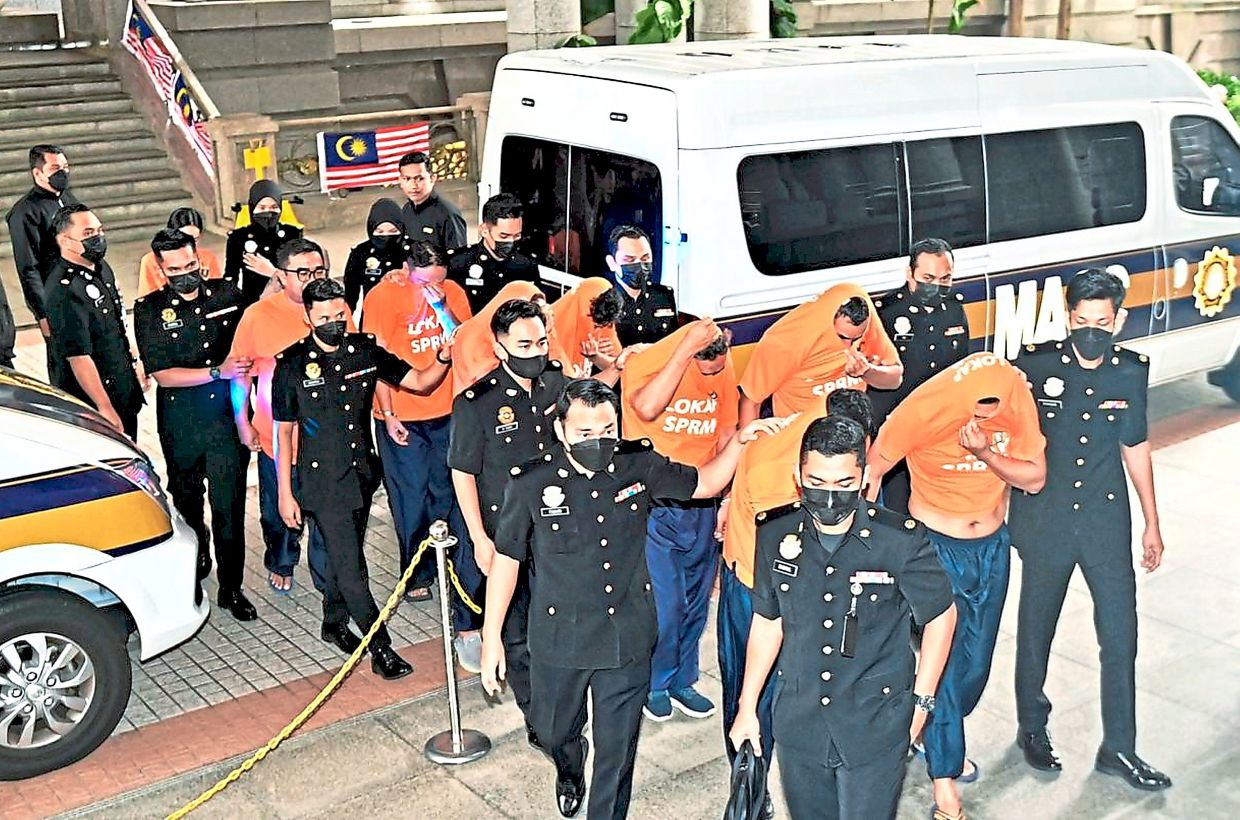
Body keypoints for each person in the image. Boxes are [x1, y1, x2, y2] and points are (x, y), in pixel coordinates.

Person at [480, 378, 786, 820]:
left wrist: (740, 440)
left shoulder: (636, 465)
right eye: (585, 433)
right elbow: (507, 560)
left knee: (618, 752)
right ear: (561, 430)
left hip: (627, 631)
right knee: (552, 729)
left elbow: (703, 483)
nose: (597, 441)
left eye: (606, 430)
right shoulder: (532, 483)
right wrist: (492, 638)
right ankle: (568, 764)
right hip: (559, 636)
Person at [730, 415, 958, 820]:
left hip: (875, 720)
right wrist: (748, 706)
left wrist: (921, 703)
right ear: (798, 475)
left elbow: (941, 615)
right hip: (800, 719)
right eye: (816, 484)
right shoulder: (774, 533)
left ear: (864, 477)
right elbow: (768, 620)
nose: (829, 498)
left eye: (843, 486)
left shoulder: (898, 540)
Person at [865, 351, 1047, 820]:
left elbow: (1035, 478)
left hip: (991, 548)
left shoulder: (1015, 395)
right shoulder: (925, 407)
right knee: (942, 666)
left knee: (975, 665)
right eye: (979, 407)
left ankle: (929, 725)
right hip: (934, 549)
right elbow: (873, 468)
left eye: (994, 408)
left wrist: (987, 452)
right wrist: (865, 541)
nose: (986, 415)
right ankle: (945, 785)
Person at [1009, 269, 1171, 791]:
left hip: (1104, 519)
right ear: (1067, 315)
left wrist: (1152, 522)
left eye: (1103, 323)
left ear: (1119, 319)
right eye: (1082, 322)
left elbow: (1135, 445)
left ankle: (1118, 748)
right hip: (1046, 518)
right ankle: (1032, 728)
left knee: (1121, 637)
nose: (1091, 333)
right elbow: (1005, 432)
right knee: (1036, 632)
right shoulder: (1034, 365)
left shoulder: (1130, 371)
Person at [273, 278, 453, 680]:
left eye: (340, 315)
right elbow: (283, 432)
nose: (335, 323)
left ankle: (333, 621)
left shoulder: (364, 351)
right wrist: (285, 492)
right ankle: (381, 647)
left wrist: (442, 357)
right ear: (308, 318)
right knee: (354, 567)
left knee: (343, 556)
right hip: (320, 482)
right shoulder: (291, 365)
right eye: (324, 318)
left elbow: (420, 383)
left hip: (360, 474)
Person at [718, 388, 875, 812]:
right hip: (756, 589)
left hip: (794, 583)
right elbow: (791, 564)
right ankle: (751, 788)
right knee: (753, 697)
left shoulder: (829, 424)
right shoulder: (778, 468)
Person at [448, 297, 570, 749]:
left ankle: (563, 699)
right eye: (523, 343)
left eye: (541, 340)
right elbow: (463, 471)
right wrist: (479, 538)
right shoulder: (476, 403)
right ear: (500, 348)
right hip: (507, 538)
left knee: (557, 622)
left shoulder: (559, 384)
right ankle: (538, 717)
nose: (534, 350)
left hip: (558, 529)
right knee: (515, 634)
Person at [363, 241, 484, 669]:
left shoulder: (453, 293)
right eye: (425, 281)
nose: (434, 289)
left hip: (448, 412)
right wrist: (388, 412)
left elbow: (466, 345)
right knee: (410, 496)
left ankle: (451, 563)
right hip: (404, 414)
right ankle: (416, 570)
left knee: (448, 493)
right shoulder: (383, 296)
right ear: (405, 269)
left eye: (439, 280)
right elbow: (374, 359)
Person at [133, 229, 256, 621]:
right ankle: (197, 553)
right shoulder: (149, 310)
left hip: (224, 420)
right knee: (186, 501)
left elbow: (246, 350)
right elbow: (164, 374)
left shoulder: (226, 295)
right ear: (161, 270)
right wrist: (215, 371)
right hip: (181, 423)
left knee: (229, 505)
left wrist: (243, 419)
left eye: (191, 266)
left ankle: (232, 587)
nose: (187, 275)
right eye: (176, 270)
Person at [620, 319, 738, 721]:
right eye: (705, 368)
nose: (714, 375)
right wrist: (685, 349)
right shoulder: (647, 364)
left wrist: (726, 499)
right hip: (656, 504)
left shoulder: (724, 363)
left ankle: (682, 679)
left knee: (695, 600)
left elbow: (726, 433)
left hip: (702, 501)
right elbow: (647, 407)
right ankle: (654, 681)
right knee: (665, 604)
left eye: (719, 366)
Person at [228, 237, 336, 598]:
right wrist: (243, 423)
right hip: (277, 436)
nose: (311, 279)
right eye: (302, 272)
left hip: (324, 438)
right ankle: (282, 560)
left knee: (324, 514)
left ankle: (326, 574)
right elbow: (239, 374)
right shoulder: (257, 316)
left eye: (318, 271)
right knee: (278, 512)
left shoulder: (335, 309)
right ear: (283, 275)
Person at [871, 238, 971, 513]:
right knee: (898, 507)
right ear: (909, 273)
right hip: (897, 425)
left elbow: (961, 371)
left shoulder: (954, 310)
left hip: (939, 428)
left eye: (945, 278)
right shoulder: (886, 313)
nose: (936, 285)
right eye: (927, 277)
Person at [739, 282, 902, 426]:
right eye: (842, 337)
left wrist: (868, 372)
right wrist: (747, 455)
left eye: (857, 339)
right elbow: (751, 401)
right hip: (800, 443)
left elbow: (894, 380)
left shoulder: (859, 304)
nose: (848, 346)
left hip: (854, 435)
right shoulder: (787, 341)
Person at [44, 204, 143, 438]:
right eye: (88, 234)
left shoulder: (100, 268)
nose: (98, 238)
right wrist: (104, 407)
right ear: (65, 241)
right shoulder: (63, 290)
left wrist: (134, 362)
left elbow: (117, 322)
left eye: (100, 230)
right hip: (96, 398)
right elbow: (78, 356)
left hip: (121, 385)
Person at [6, 144, 79, 377]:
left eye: (65, 167)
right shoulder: (24, 213)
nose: (63, 173)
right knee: (66, 365)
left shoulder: (67, 198)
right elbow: (28, 269)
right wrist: (43, 314)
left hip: (79, 291)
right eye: (55, 168)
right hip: (54, 299)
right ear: (38, 173)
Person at [447, 192, 540, 314]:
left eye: (517, 235)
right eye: (504, 236)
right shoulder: (459, 263)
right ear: (484, 230)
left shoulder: (526, 265)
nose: (510, 242)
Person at [225, 179, 303, 306]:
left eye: (273, 207)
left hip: (288, 301)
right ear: (252, 208)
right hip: (253, 304)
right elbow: (230, 278)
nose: (268, 213)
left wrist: (272, 272)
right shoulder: (238, 237)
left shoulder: (292, 234)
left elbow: (300, 274)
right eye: (261, 208)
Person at [605, 225, 678, 347]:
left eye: (645, 258)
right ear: (612, 263)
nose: (639, 266)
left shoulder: (663, 296)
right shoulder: (604, 299)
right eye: (629, 260)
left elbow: (674, 343)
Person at [137, 207, 225, 298]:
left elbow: (217, 293)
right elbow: (146, 299)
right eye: (184, 239)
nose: (190, 245)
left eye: (194, 239)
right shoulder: (150, 261)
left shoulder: (208, 258)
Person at [343, 198, 410, 314]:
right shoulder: (361, 253)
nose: (386, 236)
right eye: (379, 232)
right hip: (373, 315)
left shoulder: (412, 251)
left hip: (407, 316)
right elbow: (350, 294)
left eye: (393, 231)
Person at [550, 277, 624, 379]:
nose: (597, 330)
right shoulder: (546, 326)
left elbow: (621, 366)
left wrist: (596, 357)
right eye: (595, 323)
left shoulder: (604, 314)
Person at [398, 151, 467, 253]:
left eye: (420, 178)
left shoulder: (448, 215)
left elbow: (459, 260)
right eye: (407, 179)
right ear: (400, 181)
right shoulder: (406, 210)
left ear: (432, 179)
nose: (413, 186)